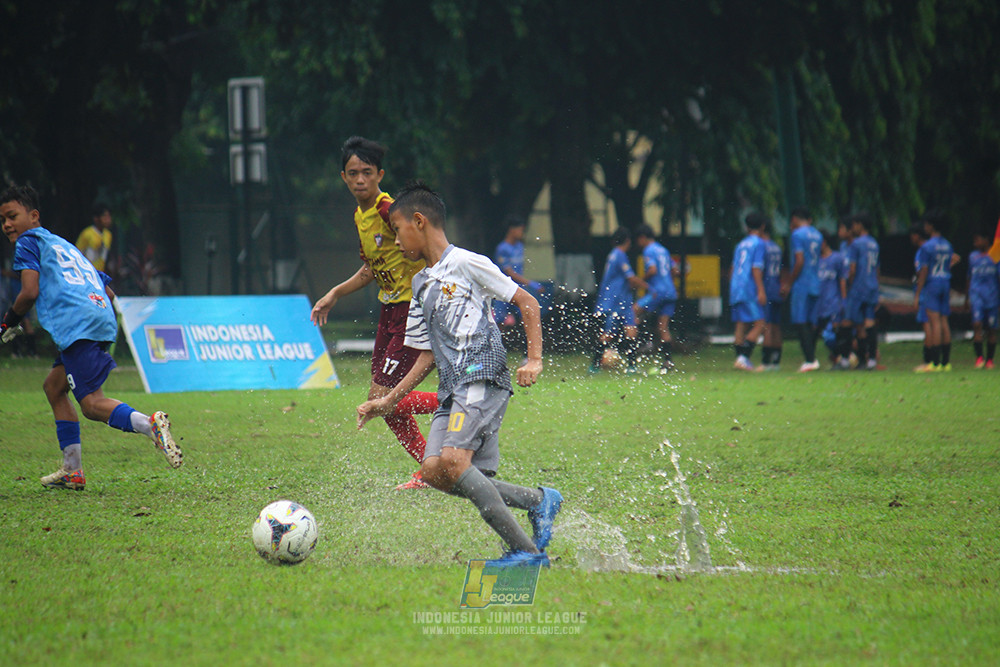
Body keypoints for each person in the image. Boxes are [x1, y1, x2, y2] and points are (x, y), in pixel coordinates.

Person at [356, 182, 562, 567]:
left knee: (453, 463)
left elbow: (527, 302)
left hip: (481, 374)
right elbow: (425, 357)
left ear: (418, 222)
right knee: (435, 472)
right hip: (453, 389)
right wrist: (387, 401)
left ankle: (527, 554)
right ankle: (538, 500)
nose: (395, 242)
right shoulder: (419, 284)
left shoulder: (468, 262)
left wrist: (534, 360)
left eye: (397, 231)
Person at [0, 184, 181, 490]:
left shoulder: (29, 242)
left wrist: (9, 322)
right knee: (54, 388)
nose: (6, 224)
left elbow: (28, 291)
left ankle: (149, 424)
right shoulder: (65, 245)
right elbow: (108, 290)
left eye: (12, 216)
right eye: (2, 218)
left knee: (91, 403)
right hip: (98, 316)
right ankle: (72, 471)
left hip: (76, 324)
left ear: (33, 216)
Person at [310, 137, 439, 490]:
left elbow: (427, 244)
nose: (360, 180)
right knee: (378, 400)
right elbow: (371, 269)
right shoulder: (359, 216)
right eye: (354, 173)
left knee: (384, 401)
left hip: (412, 308)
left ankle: (456, 401)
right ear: (344, 177)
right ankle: (431, 469)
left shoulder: (388, 210)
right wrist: (335, 293)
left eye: (367, 172)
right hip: (389, 310)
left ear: (379, 174)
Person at [591, 227, 646, 373]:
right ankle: (595, 364)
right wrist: (649, 288)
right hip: (616, 301)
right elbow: (631, 278)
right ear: (627, 241)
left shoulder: (613, 255)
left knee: (631, 330)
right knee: (609, 334)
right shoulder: (619, 255)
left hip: (622, 300)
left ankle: (632, 366)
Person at [913, 209, 959, 372]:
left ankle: (934, 362)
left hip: (932, 284)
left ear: (930, 226)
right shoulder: (947, 244)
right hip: (945, 282)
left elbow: (924, 271)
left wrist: (918, 293)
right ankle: (946, 362)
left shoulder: (927, 247)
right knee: (944, 320)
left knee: (934, 322)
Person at [633, 225, 679, 373]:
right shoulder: (663, 250)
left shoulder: (649, 250)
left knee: (632, 312)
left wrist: (643, 282)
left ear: (642, 238)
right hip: (670, 291)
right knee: (663, 327)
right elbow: (675, 270)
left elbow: (652, 270)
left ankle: (643, 343)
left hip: (657, 292)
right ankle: (668, 361)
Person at [839, 212, 880, 370]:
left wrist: (849, 285)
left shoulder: (856, 244)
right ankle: (868, 361)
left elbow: (853, 269)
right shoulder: (874, 243)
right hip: (871, 286)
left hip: (858, 287)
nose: (853, 227)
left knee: (847, 322)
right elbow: (877, 268)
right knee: (868, 323)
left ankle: (844, 360)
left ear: (860, 225)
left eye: (855, 224)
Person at [786, 207, 823, 372]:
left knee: (800, 321)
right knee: (810, 322)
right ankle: (811, 357)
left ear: (794, 218)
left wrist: (790, 281)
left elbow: (799, 260)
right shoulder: (817, 234)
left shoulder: (797, 234)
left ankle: (810, 359)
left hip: (802, 282)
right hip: (816, 281)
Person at [729, 213, 768, 371]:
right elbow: (756, 267)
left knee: (741, 323)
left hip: (736, 286)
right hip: (748, 286)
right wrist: (760, 290)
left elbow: (733, 268)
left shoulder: (741, 244)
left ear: (746, 227)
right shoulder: (759, 243)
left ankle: (740, 358)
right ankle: (743, 357)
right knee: (760, 323)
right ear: (763, 227)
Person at [493, 216, 543, 329]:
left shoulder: (520, 246)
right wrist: (530, 283)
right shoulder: (502, 248)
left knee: (526, 317)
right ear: (512, 230)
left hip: (518, 287)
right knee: (499, 321)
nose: (522, 233)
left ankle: (527, 344)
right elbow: (509, 272)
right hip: (503, 288)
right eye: (521, 230)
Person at [967, 228, 999, 369]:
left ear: (986, 240)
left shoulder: (995, 256)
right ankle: (979, 358)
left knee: (992, 329)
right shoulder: (973, 257)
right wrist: (966, 297)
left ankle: (990, 360)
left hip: (992, 297)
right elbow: (969, 277)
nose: (976, 243)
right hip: (976, 296)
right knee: (977, 325)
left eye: (978, 240)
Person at [816, 232, 847, 367]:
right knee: (824, 335)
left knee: (832, 334)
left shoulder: (837, 258)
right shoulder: (815, 260)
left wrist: (843, 300)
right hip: (819, 304)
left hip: (833, 302)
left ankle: (843, 358)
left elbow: (842, 280)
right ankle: (839, 358)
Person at [758, 223, 784, 371]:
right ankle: (776, 361)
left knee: (767, 325)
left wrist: (759, 290)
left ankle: (766, 362)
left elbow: (760, 269)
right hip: (776, 287)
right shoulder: (776, 247)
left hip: (766, 288)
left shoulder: (762, 246)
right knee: (776, 325)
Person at [76, 202, 114, 274]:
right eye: (105, 217)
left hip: (100, 274)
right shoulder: (87, 234)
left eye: (109, 217)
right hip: (86, 273)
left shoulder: (108, 235)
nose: (108, 220)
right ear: (96, 218)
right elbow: (78, 253)